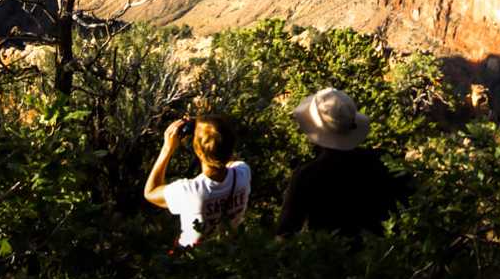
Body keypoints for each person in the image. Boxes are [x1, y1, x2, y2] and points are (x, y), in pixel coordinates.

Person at [276, 87, 408, 239]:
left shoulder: (307, 176)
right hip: (385, 256)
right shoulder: (385, 161)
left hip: (333, 259)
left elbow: (285, 234)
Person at [144, 113, 250, 248]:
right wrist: (205, 128)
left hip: (192, 258)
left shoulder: (190, 192)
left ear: (198, 151)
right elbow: (229, 159)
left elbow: (150, 192)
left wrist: (167, 149)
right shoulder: (243, 173)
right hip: (227, 252)